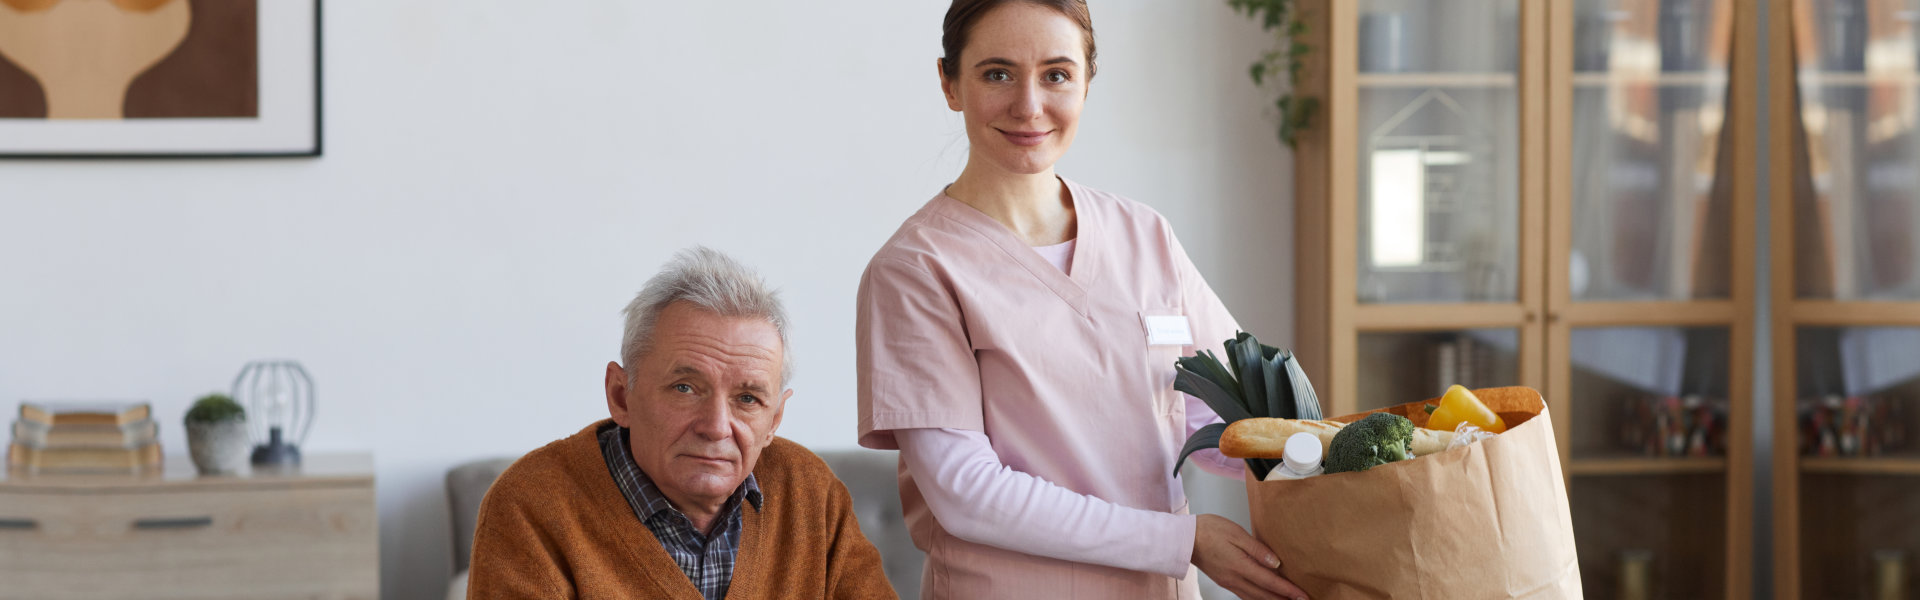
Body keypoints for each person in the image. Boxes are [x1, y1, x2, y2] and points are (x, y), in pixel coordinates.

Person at [854, 2, 1311, 599]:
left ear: (1087, 82)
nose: (1029, 105)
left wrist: (1320, 452)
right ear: (949, 83)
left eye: (1056, 74)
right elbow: (966, 493)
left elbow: (1234, 422)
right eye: (997, 73)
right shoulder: (916, 270)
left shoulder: (1144, 235)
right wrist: (1184, 541)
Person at [471, 247, 896, 600]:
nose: (716, 427)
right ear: (621, 395)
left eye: (747, 398)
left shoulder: (810, 492)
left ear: (775, 420)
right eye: (685, 388)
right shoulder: (531, 506)